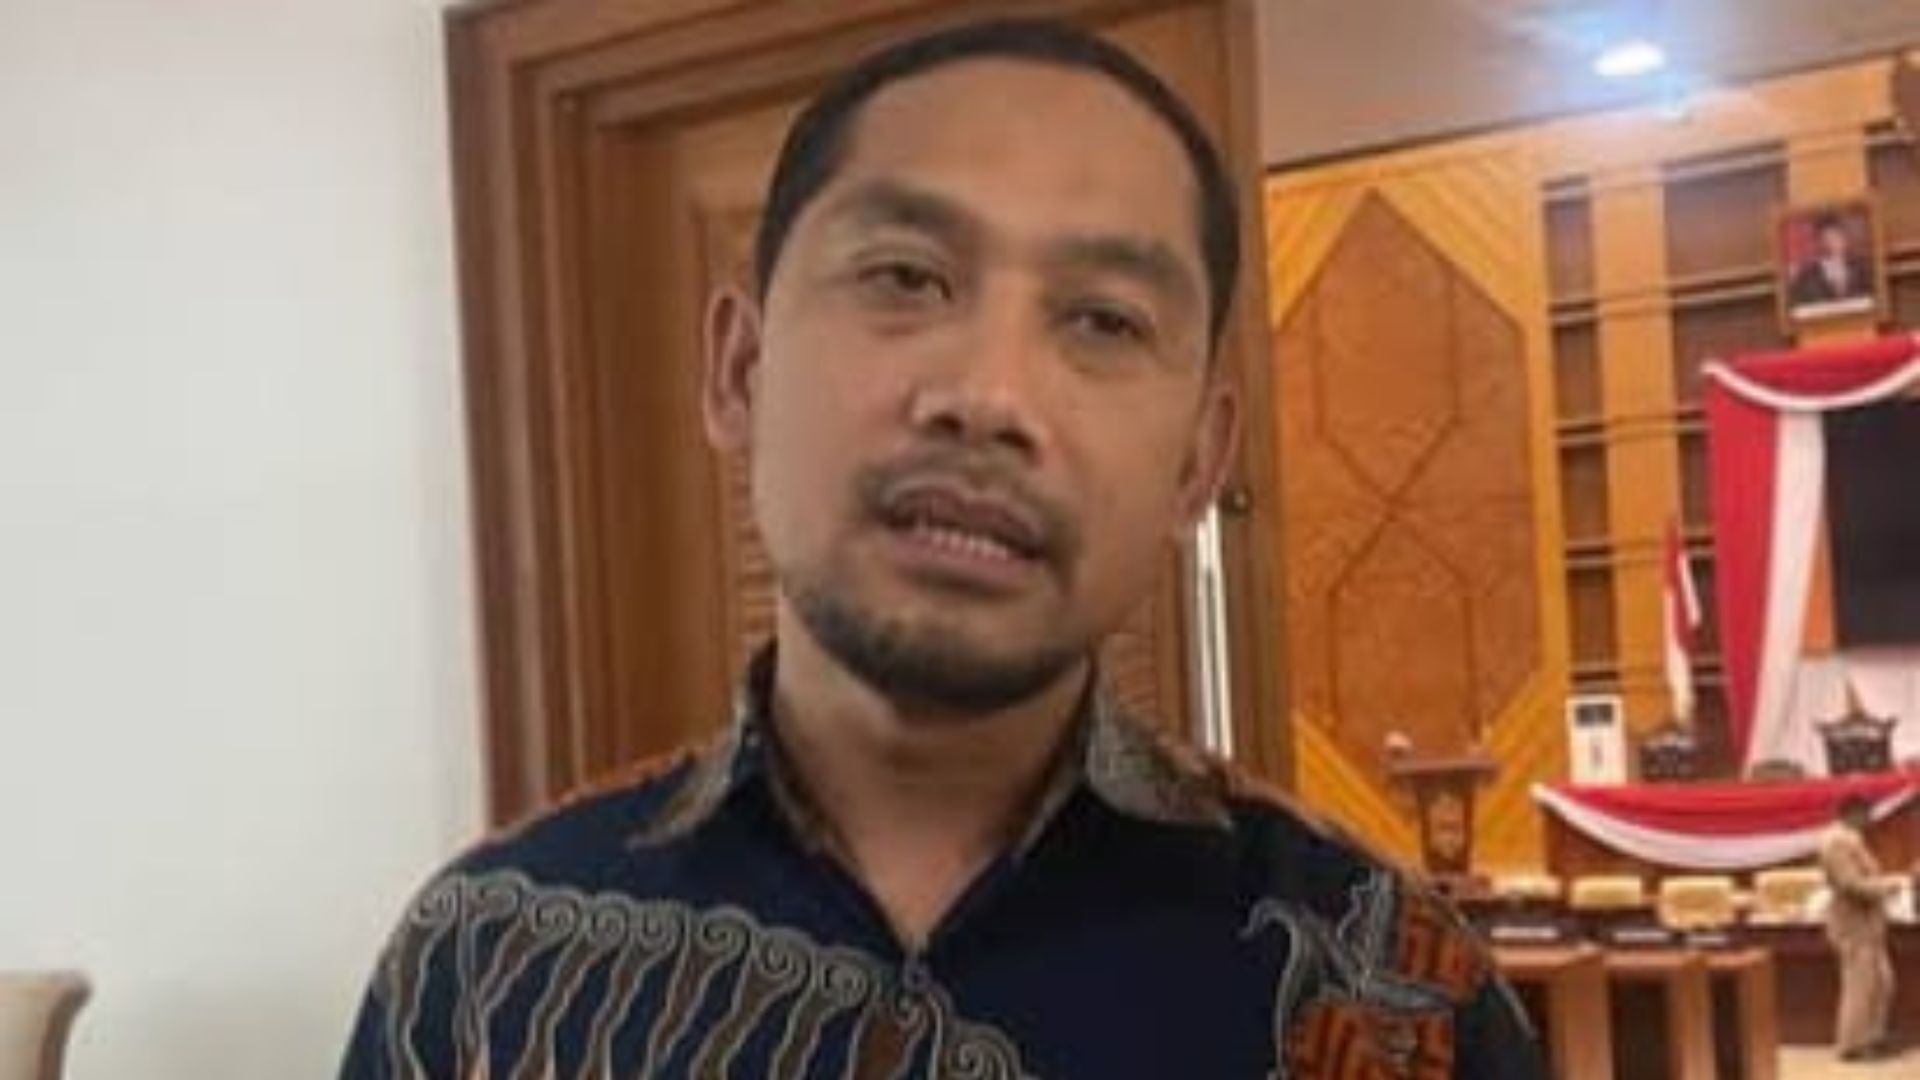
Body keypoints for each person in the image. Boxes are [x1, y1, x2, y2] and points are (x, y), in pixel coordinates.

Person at [339, 19, 1545, 1078]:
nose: (987, 396)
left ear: (1196, 462)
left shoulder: (1398, 998)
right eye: (907, 277)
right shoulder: (482, 961)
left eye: (1103, 320)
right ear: (739, 372)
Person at [1819, 794, 1901, 1062]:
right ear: (1854, 813)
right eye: (1867, 815)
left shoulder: (1851, 838)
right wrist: (1887, 886)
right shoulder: (1836, 841)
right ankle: (1852, 1045)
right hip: (1852, 923)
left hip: (1868, 923)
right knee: (1860, 985)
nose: (1870, 821)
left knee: (1881, 982)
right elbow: (1849, 884)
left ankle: (1873, 1036)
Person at [1787, 212, 1874, 310]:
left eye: (1836, 236)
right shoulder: (1806, 277)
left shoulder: (1861, 269)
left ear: (1845, 238)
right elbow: (1798, 309)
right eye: (1827, 238)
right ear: (1819, 242)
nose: (1832, 243)